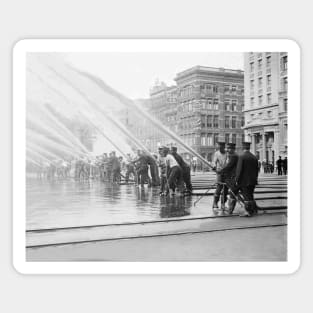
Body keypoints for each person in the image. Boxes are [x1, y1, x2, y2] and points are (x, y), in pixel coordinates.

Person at [218, 143, 249, 216]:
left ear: (233, 149)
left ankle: (232, 210)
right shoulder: (231, 155)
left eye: (229, 148)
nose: (227, 150)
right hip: (231, 177)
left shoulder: (234, 156)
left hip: (233, 178)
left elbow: (229, 166)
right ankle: (246, 208)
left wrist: (220, 171)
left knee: (233, 193)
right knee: (234, 193)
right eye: (227, 148)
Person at [235, 142, 259, 216]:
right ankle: (253, 210)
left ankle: (248, 211)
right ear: (249, 147)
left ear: (243, 147)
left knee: (246, 196)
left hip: (244, 181)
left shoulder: (241, 157)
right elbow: (256, 170)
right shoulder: (254, 157)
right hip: (253, 180)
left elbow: (239, 170)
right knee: (250, 195)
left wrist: (236, 179)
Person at [211, 142, 228, 212]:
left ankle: (223, 204)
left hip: (226, 173)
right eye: (219, 147)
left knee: (226, 189)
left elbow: (228, 161)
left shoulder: (227, 153)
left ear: (224, 147)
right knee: (219, 188)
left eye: (222, 147)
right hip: (220, 173)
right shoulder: (217, 153)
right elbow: (214, 162)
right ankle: (215, 203)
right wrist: (214, 167)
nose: (220, 149)